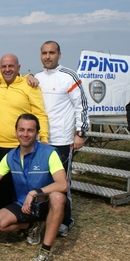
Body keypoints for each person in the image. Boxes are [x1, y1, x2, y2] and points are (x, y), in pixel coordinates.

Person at [0, 114, 67, 261]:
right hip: (24, 205)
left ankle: (44, 253)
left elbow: (62, 184)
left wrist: (35, 192)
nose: (25, 134)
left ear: (37, 133)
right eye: (21, 129)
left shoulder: (49, 153)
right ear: (15, 131)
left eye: (30, 130)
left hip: (45, 204)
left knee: (58, 197)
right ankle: (33, 227)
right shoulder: (10, 156)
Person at [35, 40, 89, 237]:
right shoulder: (36, 78)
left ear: (59, 54)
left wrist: (80, 133)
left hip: (63, 141)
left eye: (51, 53)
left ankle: (65, 221)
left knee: (62, 184)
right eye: (44, 53)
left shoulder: (69, 76)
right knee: (42, 181)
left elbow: (81, 106)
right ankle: (43, 218)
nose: (47, 56)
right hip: (41, 141)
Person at [0, 54, 49, 210]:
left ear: (18, 67)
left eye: (11, 66)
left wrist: (44, 138)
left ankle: (27, 221)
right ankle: (7, 216)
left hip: (22, 147)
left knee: (22, 188)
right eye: (4, 66)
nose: (7, 69)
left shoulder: (29, 86)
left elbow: (40, 114)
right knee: (1, 190)